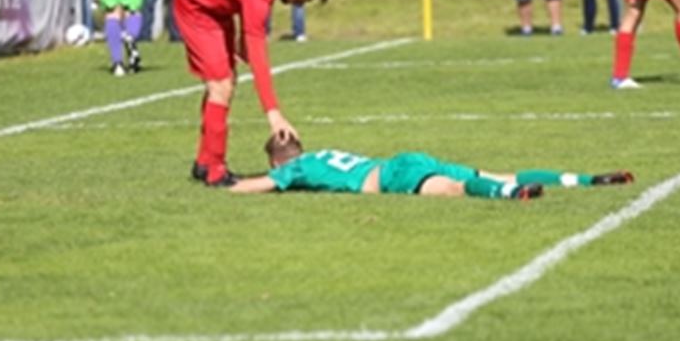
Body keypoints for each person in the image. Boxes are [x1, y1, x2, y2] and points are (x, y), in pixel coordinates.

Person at [173, 0, 329, 187]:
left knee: (225, 84)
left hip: (219, 6)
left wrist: (242, 42)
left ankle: (204, 162)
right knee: (221, 86)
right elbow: (258, 58)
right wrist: (274, 114)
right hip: (197, 8)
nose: (299, 4)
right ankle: (215, 171)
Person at [228, 135, 635, 199]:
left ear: (279, 161)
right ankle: (584, 179)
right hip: (403, 160)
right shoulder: (321, 154)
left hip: (392, 177)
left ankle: (511, 196)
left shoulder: (294, 169)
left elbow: (254, 186)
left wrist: (225, 182)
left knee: (455, 190)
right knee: (491, 172)